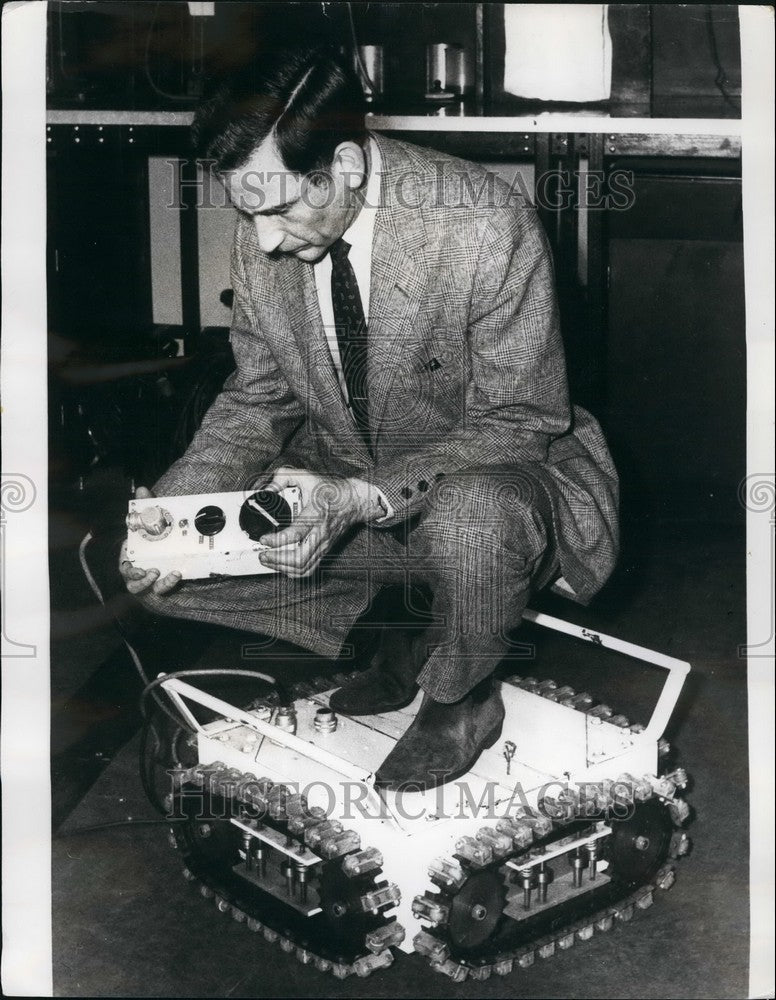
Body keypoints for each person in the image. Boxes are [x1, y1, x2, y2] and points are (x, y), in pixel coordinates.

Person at [120, 43, 619, 790]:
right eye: (247, 212)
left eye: (282, 208)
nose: (263, 242)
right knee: (171, 571)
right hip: (348, 493)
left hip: (503, 484)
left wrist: (361, 496)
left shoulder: (483, 224)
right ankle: (402, 633)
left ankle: (461, 695)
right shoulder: (271, 223)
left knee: (471, 521)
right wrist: (172, 514)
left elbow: (522, 416)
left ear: (348, 165)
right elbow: (257, 399)